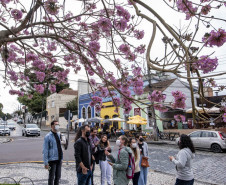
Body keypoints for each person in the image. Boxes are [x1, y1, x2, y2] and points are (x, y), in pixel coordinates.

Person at [43, 120, 63, 185]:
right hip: (52, 160)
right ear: (52, 126)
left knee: (58, 177)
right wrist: (46, 163)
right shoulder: (48, 136)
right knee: (51, 177)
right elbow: (45, 150)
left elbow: (60, 146)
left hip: (59, 159)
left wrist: (61, 158)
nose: (57, 126)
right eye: (56, 125)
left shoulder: (59, 134)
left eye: (58, 125)